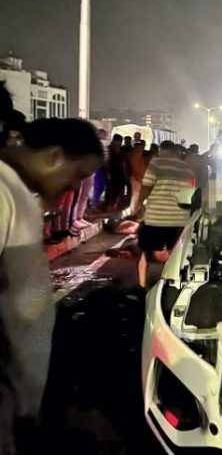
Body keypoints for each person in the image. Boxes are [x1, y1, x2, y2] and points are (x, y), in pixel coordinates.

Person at [0, 118, 103, 452]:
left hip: (19, 395)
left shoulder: (16, 190)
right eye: (78, 175)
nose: (75, 187)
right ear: (54, 156)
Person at [134, 140, 195, 288]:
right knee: (175, 255)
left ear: (162, 150)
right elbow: (190, 194)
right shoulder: (188, 168)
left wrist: (139, 204)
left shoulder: (157, 163)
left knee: (145, 254)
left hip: (156, 218)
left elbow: (146, 186)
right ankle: (170, 286)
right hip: (180, 219)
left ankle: (143, 286)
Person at [106, 134, 127, 209]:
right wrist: (108, 172)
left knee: (118, 189)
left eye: (120, 142)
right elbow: (107, 162)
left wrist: (124, 173)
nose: (119, 143)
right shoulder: (109, 149)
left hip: (119, 172)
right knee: (111, 189)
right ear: (114, 141)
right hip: (112, 171)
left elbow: (123, 162)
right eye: (118, 142)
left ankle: (115, 203)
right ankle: (108, 204)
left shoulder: (121, 150)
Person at [91, 129, 111, 209]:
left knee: (99, 187)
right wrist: (107, 171)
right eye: (103, 135)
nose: (105, 136)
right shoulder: (100, 144)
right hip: (99, 168)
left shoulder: (97, 144)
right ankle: (95, 204)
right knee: (98, 187)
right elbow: (105, 160)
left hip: (98, 168)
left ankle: (95, 204)